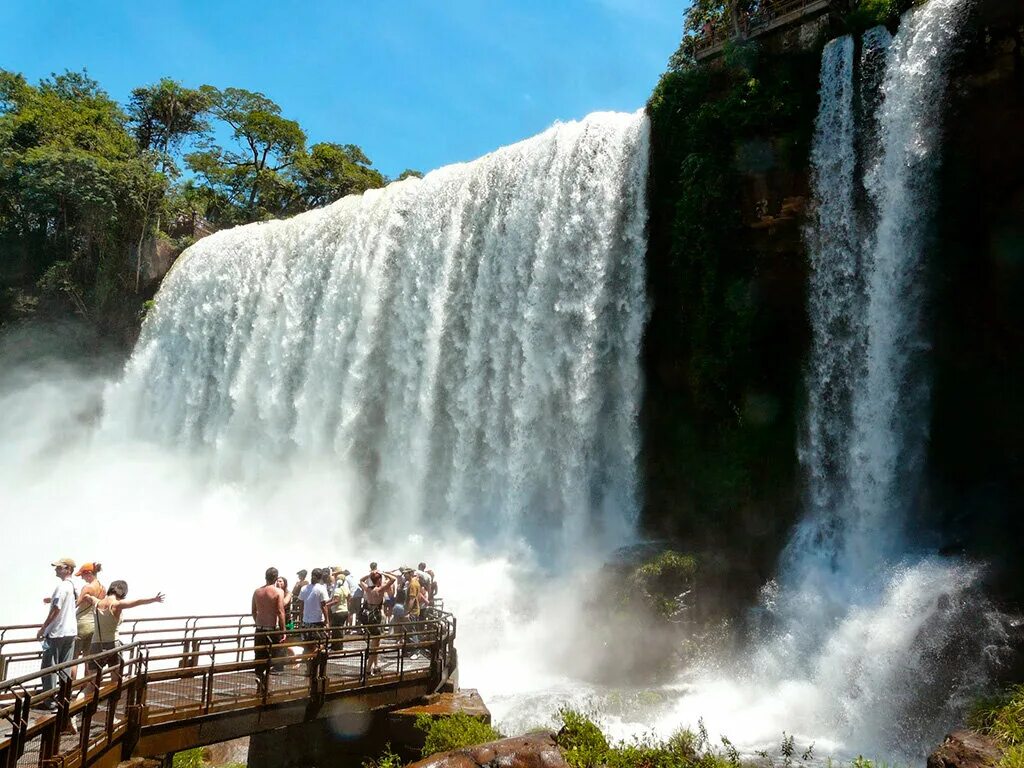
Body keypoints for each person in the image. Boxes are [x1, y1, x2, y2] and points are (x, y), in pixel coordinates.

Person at [87, 580, 165, 673]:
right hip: (113, 645)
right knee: (116, 679)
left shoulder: (96, 602)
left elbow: (87, 596)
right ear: (123, 593)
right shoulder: (117, 605)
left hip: (96, 644)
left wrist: (86, 595)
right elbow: (137, 602)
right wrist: (154, 599)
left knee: (93, 682)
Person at [37, 558, 79, 708]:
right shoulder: (73, 586)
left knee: (49, 667)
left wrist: (43, 628)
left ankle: (49, 700)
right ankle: (64, 698)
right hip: (70, 631)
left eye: (59, 567)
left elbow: (56, 609)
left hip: (56, 632)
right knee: (65, 667)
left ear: (67, 569)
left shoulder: (62, 587)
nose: (56, 570)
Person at [252, 568, 287, 683]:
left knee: (259, 656)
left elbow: (253, 611)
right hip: (271, 629)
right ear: (276, 578)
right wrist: (283, 631)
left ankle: (259, 677)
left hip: (259, 628)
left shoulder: (257, 591)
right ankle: (266, 680)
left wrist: (257, 622)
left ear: (265, 577)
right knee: (273, 655)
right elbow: (280, 612)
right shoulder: (278, 592)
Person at [358, 569, 396, 675]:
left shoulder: (368, 589)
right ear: (378, 579)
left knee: (375, 642)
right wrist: (383, 573)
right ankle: (368, 668)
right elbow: (393, 579)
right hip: (377, 616)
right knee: (375, 644)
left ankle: (376, 665)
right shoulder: (379, 589)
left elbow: (361, 580)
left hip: (369, 616)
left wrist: (370, 575)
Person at [73, 563, 105, 673]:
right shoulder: (102, 588)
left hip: (81, 625)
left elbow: (76, 604)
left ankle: (71, 687)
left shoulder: (87, 588)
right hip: (93, 625)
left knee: (74, 659)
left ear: (89, 573)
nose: (82, 577)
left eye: (83, 575)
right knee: (88, 658)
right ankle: (87, 685)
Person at [298, 568, 332, 655]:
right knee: (322, 643)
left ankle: (309, 663)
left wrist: (301, 619)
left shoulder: (304, 588)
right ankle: (313, 655)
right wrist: (327, 621)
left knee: (308, 645)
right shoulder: (321, 589)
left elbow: (301, 605)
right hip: (317, 622)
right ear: (320, 577)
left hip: (306, 622)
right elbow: (323, 606)